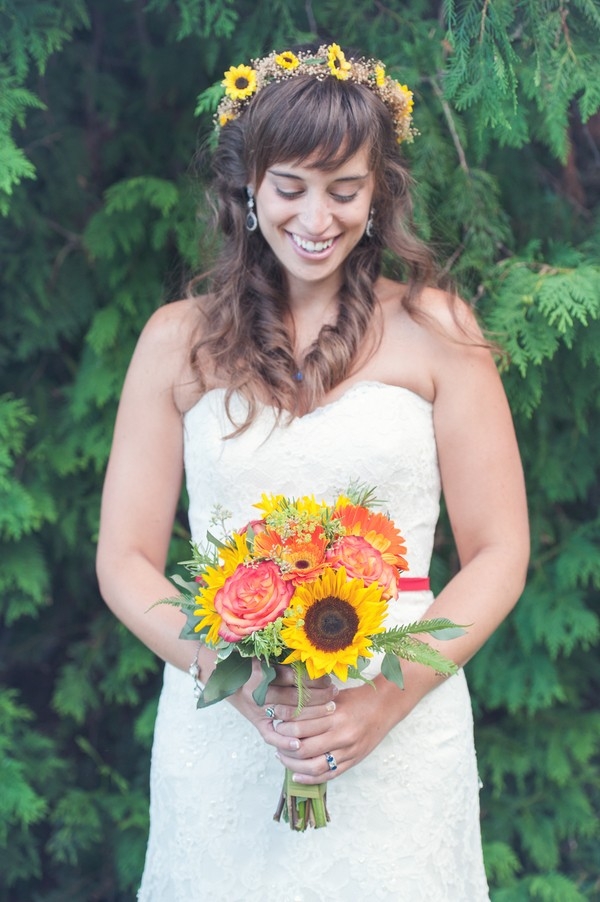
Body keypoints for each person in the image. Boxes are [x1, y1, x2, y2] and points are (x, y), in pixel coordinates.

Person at [96, 43, 529, 901]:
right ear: (247, 190)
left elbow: (499, 551)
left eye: (344, 190)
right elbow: (123, 561)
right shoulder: (173, 341)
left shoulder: (439, 328)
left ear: (378, 195)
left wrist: (385, 702)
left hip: (400, 720)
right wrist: (239, 684)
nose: (317, 217)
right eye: (290, 187)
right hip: (224, 722)